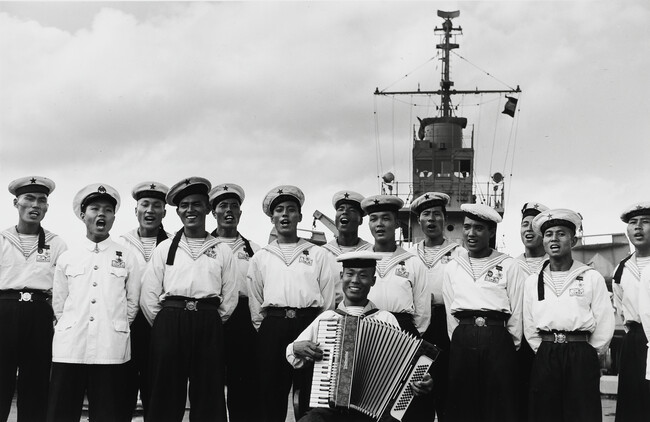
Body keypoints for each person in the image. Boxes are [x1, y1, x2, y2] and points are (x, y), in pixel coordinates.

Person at [286, 251, 433, 422]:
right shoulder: (327, 318)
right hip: (330, 409)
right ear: (341, 276)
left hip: (375, 410)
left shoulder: (385, 319)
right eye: (350, 274)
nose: (355, 280)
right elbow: (292, 356)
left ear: (373, 281)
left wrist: (421, 379)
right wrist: (296, 347)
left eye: (363, 275)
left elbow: (404, 367)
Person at [140, 177, 238, 422]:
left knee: (209, 393)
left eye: (196, 204)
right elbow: (149, 295)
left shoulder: (222, 250)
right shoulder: (164, 248)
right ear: (177, 211)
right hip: (171, 321)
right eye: (184, 205)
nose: (190, 210)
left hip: (208, 321)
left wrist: (210, 322)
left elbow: (230, 295)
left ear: (207, 209)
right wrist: (167, 324)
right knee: (165, 392)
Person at [47, 183, 141, 422]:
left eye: (108, 210)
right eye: (95, 209)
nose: (101, 214)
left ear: (114, 217)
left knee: (109, 413)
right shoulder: (68, 256)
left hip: (110, 347)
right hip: (71, 347)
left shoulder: (127, 256)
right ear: (82, 215)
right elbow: (59, 302)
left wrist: (113, 324)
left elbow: (132, 303)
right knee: (62, 412)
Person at [247, 185, 336, 422]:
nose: (285, 215)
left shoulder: (318, 254)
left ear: (300, 216)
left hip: (308, 325)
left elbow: (327, 299)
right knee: (270, 393)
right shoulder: (261, 257)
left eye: (291, 210)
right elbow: (256, 301)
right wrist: (266, 330)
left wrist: (319, 330)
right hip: (273, 325)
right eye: (279, 210)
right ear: (272, 217)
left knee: (310, 394)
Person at [523, 209, 615, 422]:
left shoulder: (591, 277)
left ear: (573, 240)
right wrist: (544, 349)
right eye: (548, 234)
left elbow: (604, 321)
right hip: (546, 352)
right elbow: (529, 323)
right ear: (543, 240)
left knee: (582, 413)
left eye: (561, 234)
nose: (554, 239)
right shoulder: (532, 281)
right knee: (544, 413)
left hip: (581, 352)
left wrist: (589, 353)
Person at [442, 203, 524, 422]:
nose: (470, 233)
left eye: (478, 228)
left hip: (498, 338)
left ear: (491, 232)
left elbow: (517, 312)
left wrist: (508, 345)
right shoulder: (453, 266)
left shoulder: (508, 265)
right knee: (464, 404)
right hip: (463, 337)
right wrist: (460, 338)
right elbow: (451, 311)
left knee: (499, 405)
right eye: (467, 227)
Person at [0, 176, 67, 422]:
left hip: (40, 314)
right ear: (16, 203)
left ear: (47, 207)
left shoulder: (57, 243)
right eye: (29, 198)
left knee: (36, 385)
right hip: (4, 311)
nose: (35, 205)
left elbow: (62, 288)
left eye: (41, 200)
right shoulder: (3, 239)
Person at [407, 192, 463, 422]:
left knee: (448, 391)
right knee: (418, 389)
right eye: (426, 215)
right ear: (419, 221)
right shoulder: (409, 254)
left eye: (436, 214)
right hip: (417, 324)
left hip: (447, 322)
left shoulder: (460, 254)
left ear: (444, 219)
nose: (431, 219)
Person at [208, 183, 261, 422]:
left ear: (240, 213)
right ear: (213, 212)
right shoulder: (203, 246)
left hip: (243, 318)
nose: (228, 211)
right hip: (212, 316)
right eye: (222, 206)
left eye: (234, 206)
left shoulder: (255, 250)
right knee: (210, 384)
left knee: (244, 387)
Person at [119, 181, 170, 419]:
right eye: (145, 205)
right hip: (127, 324)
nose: (150, 211)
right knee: (122, 389)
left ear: (164, 212)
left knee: (158, 390)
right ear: (136, 210)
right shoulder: (121, 244)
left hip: (160, 324)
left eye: (157, 206)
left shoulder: (174, 244)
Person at [360, 194, 429, 337]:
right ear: (369, 224)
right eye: (373, 219)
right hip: (366, 326)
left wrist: (412, 335)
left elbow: (422, 311)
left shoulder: (413, 262)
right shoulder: (359, 259)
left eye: (386, 218)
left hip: (403, 328)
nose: (379, 224)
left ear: (397, 223)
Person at [612, 202, 650, 422]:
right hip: (635, 340)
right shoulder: (621, 269)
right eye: (633, 223)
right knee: (632, 404)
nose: (638, 228)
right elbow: (620, 308)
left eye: (645, 222)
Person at [514, 201, 549, 422]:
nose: (528, 230)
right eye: (524, 224)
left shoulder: (556, 264)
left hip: (546, 342)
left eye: (534, 225)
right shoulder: (510, 265)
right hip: (517, 344)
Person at [321, 191, 372, 303]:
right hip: (329, 314)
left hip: (363, 314)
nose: (345, 212)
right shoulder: (322, 253)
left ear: (361, 220)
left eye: (352, 210)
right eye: (341, 209)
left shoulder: (370, 252)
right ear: (335, 218)